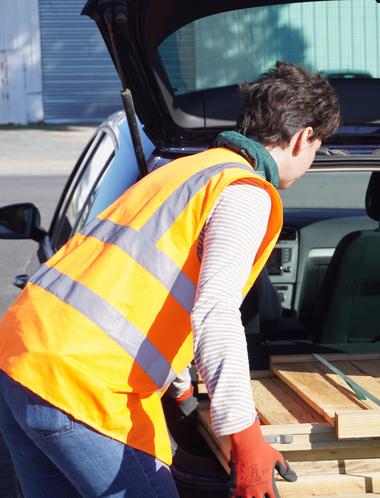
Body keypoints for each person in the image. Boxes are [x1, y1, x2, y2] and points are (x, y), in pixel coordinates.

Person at [0, 61, 341, 498]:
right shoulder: (243, 192)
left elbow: (152, 294)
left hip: (19, 359)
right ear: (302, 138)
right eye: (320, 147)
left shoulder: (183, 172)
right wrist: (245, 435)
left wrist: (181, 395)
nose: (313, 160)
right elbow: (215, 314)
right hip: (78, 385)